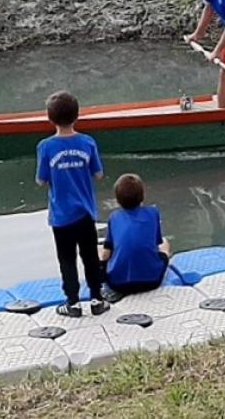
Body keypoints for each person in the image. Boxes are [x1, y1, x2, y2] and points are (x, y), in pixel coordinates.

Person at [35, 91, 110, 317]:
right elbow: (98, 174)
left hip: (61, 216)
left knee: (66, 260)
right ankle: (97, 299)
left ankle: (73, 303)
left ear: (50, 118)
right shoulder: (88, 142)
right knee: (90, 257)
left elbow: (41, 180)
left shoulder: (45, 147)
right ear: (78, 116)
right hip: (86, 213)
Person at [100, 173, 172, 299]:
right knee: (164, 244)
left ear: (117, 200)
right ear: (143, 196)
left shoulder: (114, 217)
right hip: (152, 280)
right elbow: (156, 243)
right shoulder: (153, 213)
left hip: (118, 284)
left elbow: (106, 254)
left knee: (102, 249)